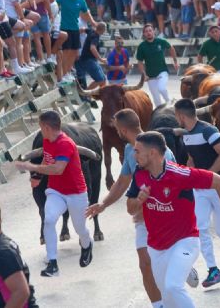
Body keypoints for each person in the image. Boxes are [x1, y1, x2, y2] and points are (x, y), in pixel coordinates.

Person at [126, 132, 220, 307]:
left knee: (173, 287)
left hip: (185, 241)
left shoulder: (180, 175)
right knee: (168, 298)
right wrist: (138, 200)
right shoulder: (139, 174)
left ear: (152, 153)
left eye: (137, 151)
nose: (133, 155)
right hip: (156, 248)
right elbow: (130, 208)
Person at [86, 109, 183, 307]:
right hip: (143, 217)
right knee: (145, 264)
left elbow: (174, 185)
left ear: (122, 130)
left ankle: (181, 265)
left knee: (162, 264)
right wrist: (104, 204)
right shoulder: (131, 151)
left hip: (166, 215)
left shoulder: (160, 150)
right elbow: (122, 181)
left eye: (116, 129)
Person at [15, 111, 93, 277]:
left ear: (46, 127)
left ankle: (87, 245)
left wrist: (32, 167)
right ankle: (52, 263)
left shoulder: (65, 143)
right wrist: (38, 176)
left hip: (76, 193)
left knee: (81, 229)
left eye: (41, 127)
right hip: (56, 191)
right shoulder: (47, 140)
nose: (40, 130)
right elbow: (47, 159)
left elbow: (58, 169)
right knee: (49, 220)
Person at [174, 99, 220, 288]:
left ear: (181, 116)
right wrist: (184, 176)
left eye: (177, 116)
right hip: (200, 189)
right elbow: (192, 158)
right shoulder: (186, 136)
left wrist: (209, 176)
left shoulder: (209, 131)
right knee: (200, 228)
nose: (177, 119)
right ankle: (213, 270)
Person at [56, 0, 99, 83]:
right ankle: (61, 77)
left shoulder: (81, 0)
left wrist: (93, 22)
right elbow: (52, 4)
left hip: (75, 29)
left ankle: (66, 73)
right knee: (66, 52)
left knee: (75, 53)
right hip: (65, 28)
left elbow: (86, 12)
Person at [136, 24, 179, 107]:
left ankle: (170, 103)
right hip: (150, 75)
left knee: (161, 88)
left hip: (162, 71)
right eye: (146, 31)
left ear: (153, 32)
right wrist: (144, 75)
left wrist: (175, 62)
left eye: (150, 30)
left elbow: (171, 48)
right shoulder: (141, 46)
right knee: (156, 99)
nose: (148, 33)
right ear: (144, 34)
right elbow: (140, 62)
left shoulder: (161, 41)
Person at [75, 22, 107, 91]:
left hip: (88, 59)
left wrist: (75, 35)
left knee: (104, 80)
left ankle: (104, 96)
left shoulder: (91, 30)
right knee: (100, 80)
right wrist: (101, 59)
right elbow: (92, 48)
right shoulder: (95, 36)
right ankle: (86, 93)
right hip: (88, 60)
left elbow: (83, 29)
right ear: (103, 30)